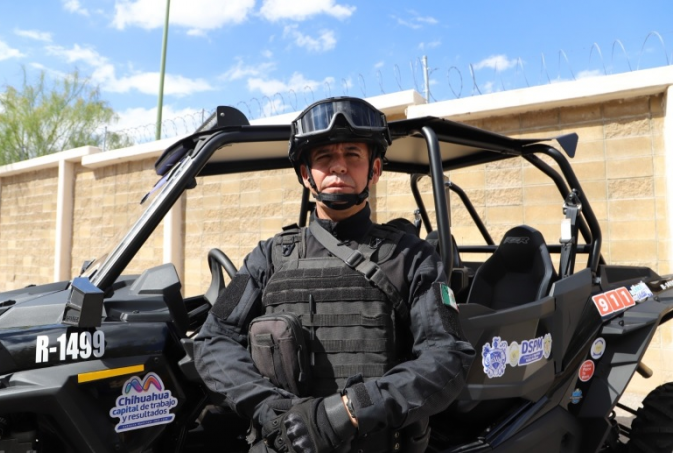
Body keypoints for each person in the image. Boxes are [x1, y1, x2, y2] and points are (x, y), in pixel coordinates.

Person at [194, 97, 475, 453]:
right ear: (305, 174)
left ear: (374, 170)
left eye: (353, 155)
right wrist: (275, 410)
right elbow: (212, 340)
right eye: (324, 156)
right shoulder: (267, 257)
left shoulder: (413, 258)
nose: (339, 166)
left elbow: (448, 355)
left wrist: (349, 412)